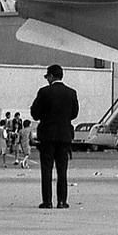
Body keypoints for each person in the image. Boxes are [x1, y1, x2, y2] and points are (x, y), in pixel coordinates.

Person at [30, 63, 79, 209]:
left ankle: (47, 201)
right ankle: (62, 201)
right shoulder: (71, 92)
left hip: (47, 136)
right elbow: (74, 114)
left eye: (47, 77)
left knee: (46, 169)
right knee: (62, 170)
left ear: (51, 76)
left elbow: (35, 113)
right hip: (64, 136)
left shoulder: (44, 92)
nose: (47, 80)